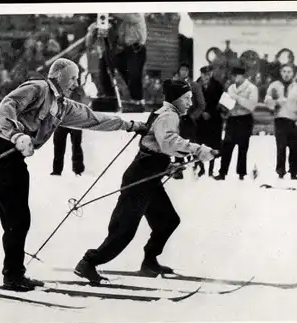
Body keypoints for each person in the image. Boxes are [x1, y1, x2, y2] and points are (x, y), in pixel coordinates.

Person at [0, 58, 147, 292]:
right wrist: (16, 135)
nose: (75, 84)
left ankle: (14, 275)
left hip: (15, 162)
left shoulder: (64, 106)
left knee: (19, 220)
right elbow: (8, 105)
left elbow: (93, 119)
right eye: (72, 78)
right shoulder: (38, 88)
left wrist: (131, 125)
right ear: (58, 75)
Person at [74, 79, 217, 284]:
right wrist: (198, 149)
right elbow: (168, 143)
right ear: (176, 99)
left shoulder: (166, 113)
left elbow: (155, 145)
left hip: (150, 175)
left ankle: (149, 261)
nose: (190, 103)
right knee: (124, 231)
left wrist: (166, 165)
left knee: (168, 221)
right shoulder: (168, 116)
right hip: (141, 177)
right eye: (186, 99)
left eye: (190, 98)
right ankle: (88, 262)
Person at [265, 64, 297, 180]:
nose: (286, 74)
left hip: (293, 121)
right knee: (281, 146)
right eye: (284, 71)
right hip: (280, 120)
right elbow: (267, 99)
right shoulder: (274, 85)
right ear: (281, 72)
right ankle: (280, 171)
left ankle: (294, 173)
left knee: (294, 147)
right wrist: (275, 103)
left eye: (289, 72)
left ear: (293, 73)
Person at [214, 66, 258, 181]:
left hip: (245, 119)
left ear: (243, 76)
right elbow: (229, 104)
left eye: (238, 75)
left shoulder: (252, 88)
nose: (235, 78)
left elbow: (251, 106)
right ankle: (222, 172)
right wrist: (224, 107)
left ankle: (241, 173)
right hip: (232, 119)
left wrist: (237, 99)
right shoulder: (231, 88)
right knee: (227, 146)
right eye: (233, 75)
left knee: (243, 147)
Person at [172, 63, 206, 179]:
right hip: (176, 118)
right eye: (182, 70)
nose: (184, 72)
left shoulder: (195, 86)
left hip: (189, 120)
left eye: (186, 70)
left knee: (192, 144)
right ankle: (178, 170)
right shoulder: (173, 84)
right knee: (176, 143)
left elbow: (202, 105)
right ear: (178, 71)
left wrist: (192, 117)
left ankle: (199, 167)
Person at [51, 83, 89, 176]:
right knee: (58, 146)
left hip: (75, 122)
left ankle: (78, 170)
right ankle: (57, 171)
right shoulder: (59, 89)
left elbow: (85, 102)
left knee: (76, 146)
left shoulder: (79, 90)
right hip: (61, 122)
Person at [196, 65, 225, 177]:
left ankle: (211, 170)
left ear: (211, 74)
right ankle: (201, 167)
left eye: (208, 74)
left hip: (214, 120)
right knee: (198, 144)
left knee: (213, 144)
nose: (206, 77)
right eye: (204, 74)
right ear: (201, 74)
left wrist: (211, 113)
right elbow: (192, 102)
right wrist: (201, 113)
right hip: (200, 120)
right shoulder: (195, 85)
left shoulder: (218, 86)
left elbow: (220, 103)